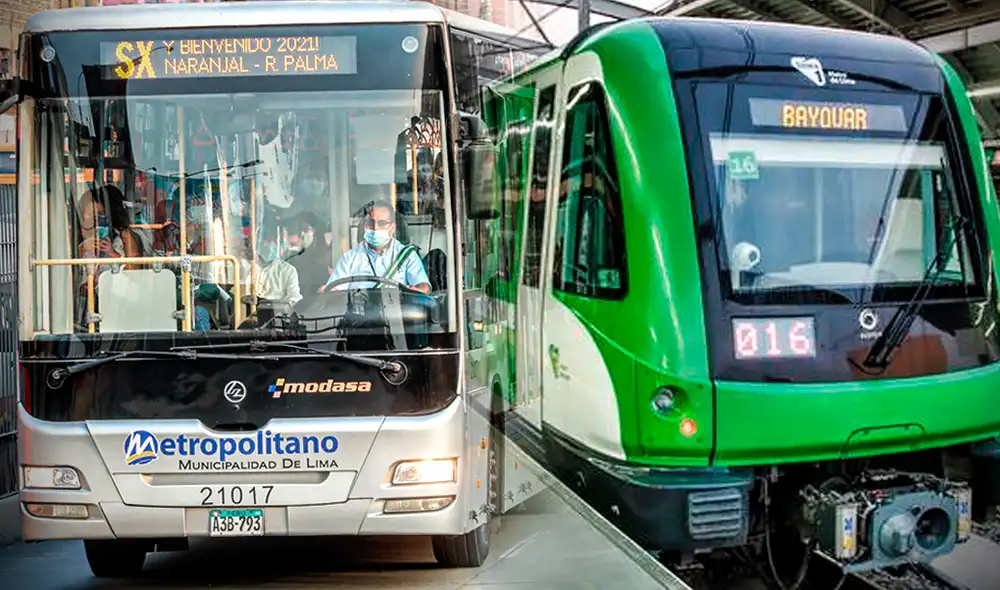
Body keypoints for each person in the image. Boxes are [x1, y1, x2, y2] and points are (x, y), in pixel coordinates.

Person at [321, 200, 430, 294]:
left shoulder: (407, 255)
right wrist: (325, 292)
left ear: (392, 227)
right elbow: (333, 292)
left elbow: (424, 288)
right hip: (358, 316)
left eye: (382, 223)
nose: (375, 228)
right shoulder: (349, 258)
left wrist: (411, 290)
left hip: (398, 315)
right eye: (370, 222)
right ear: (365, 225)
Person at [77, 185, 141, 266]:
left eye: (102, 214)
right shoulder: (85, 234)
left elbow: (132, 267)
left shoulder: (124, 235)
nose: (98, 220)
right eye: (94, 215)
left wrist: (112, 252)